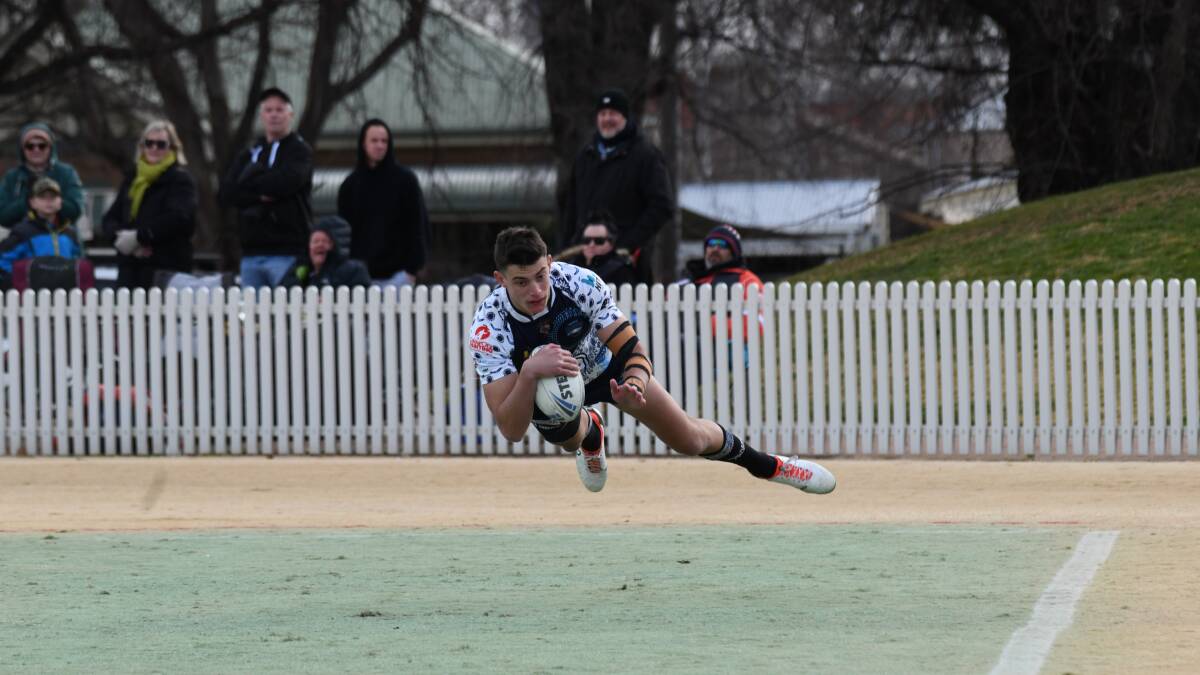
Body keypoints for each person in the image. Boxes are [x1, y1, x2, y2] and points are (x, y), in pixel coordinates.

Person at [468, 226, 835, 495]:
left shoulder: (579, 283)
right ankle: (590, 431)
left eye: (540, 276)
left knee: (689, 439)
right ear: (500, 279)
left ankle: (776, 466)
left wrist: (634, 385)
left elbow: (633, 352)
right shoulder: (489, 327)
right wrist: (530, 373)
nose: (535, 290)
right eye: (520, 282)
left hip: (608, 368)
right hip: (553, 388)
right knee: (561, 427)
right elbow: (512, 430)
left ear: (551, 263)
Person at [559, 88, 674, 283]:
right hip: (583, 259)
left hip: (626, 264)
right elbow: (571, 208)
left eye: (613, 113)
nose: (607, 119)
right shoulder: (585, 157)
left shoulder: (645, 155)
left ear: (625, 117)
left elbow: (662, 206)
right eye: (602, 114)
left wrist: (625, 243)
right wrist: (570, 244)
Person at [219, 87, 313, 289]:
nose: (274, 115)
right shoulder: (250, 153)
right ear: (262, 115)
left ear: (290, 114)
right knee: (254, 317)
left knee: (286, 315)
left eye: (279, 110)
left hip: (288, 252)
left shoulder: (300, 151)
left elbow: (286, 183)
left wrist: (251, 182)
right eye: (268, 110)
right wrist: (260, 195)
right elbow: (228, 192)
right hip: (251, 252)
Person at [101, 120, 197, 289]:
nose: (154, 148)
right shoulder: (132, 179)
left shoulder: (180, 180)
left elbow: (178, 217)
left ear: (172, 148)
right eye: (149, 143)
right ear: (142, 146)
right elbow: (110, 218)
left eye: (161, 144)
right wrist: (121, 240)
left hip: (166, 270)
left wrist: (139, 237)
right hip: (130, 269)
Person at [337, 118, 430, 287]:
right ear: (363, 144)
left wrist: (412, 269)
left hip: (400, 276)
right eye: (374, 140)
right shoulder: (350, 186)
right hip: (361, 278)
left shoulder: (406, 180)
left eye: (384, 141)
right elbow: (343, 234)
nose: (379, 145)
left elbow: (418, 225)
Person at [0, 177, 85, 290]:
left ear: (60, 202)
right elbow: (3, 261)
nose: (48, 201)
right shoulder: (22, 232)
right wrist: (21, 281)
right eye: (42, 197)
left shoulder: (70, 233)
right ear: (32, 202)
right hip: (32, 296)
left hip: (66, 294)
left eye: (53, 197)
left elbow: (78, 262)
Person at [0, 123, 85, 230]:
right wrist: (27, 201)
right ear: (22, 149)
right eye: (30, 146)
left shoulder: (66, 173)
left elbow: (75, 211)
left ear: (51, 147)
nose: (36, 150)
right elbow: (3, 217)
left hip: (62, 239)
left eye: (42, 145)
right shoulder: (12, 177)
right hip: (23, 241)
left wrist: (51, 198)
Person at [279, 221, 370, 289]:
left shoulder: (353, 269)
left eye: (325, 241)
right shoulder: (299, 268)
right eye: (315, 241)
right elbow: (282, 291)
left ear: (333, 246)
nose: (320, 245)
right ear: (308, 247)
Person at [558, 210, 636, 286]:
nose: (591, 245)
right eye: (587, 240)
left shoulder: (621, 269)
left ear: (611, 243)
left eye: (599, 241)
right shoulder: (571, 266)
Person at [684, 224, 764, 290]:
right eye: (711, 243)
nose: (715, 249)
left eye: (722, 245)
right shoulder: (689, 279)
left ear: (733, 253)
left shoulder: (747, 281)